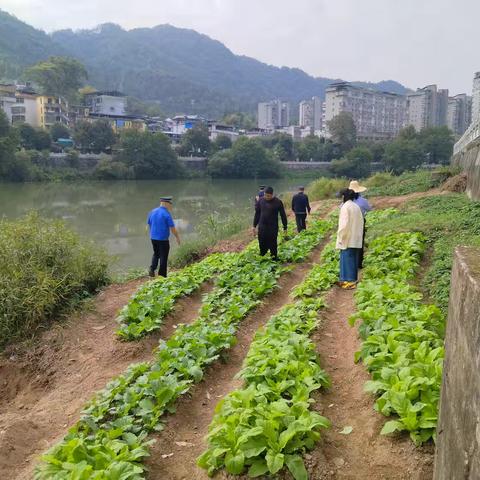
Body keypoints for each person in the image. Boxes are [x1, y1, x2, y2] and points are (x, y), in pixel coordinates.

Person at [336, 188, 364, 289]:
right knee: (353, 260)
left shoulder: (345, 207)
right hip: (356, 238)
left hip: (347, 238)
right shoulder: (356, 206)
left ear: (344, 196)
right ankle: (352, 281)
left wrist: (340, 237)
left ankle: (348, 282)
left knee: (347, 260)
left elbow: (343, 225)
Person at [147, 197, 181, 277]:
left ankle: (152, 269)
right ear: (165, 203)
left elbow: (149, 224)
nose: (170, 206)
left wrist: (153, 233)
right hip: (163, 240)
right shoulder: (166, 214)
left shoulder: (152, 211)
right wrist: (177, 237)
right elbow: (172, 228)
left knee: (156, 254)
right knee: (163, 257)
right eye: (170, 204)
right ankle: (162, 276)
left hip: (153, 238)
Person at [253, 186, 288, 260]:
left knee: (273, 245)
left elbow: (283, 215)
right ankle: (263, 259)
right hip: (262, 227)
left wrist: (285, 227)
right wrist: (254, 225)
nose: (266, 197)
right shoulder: (261, 200)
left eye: (268, 196)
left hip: (273, 228)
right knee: (262, 244)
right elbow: (257, 213)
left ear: (272, 194)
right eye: (265, 195)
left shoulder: (278, 202)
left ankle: (274, 260)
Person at [349, 180, 372, 269]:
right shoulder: (363, 201)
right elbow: (369, 209)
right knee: (360, 242)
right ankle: (359, 263)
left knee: (350, 242)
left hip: (350, 223)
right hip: (360, 222)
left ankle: (351, 262)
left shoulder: (347, 201)